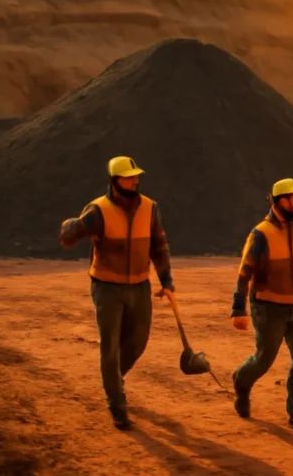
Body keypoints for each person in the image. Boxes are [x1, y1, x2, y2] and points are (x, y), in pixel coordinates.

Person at [58, 156, 175, 431]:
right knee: (110, 345)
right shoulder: (98, 210)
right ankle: (117, 403)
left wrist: (167, 280)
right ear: (115, 181)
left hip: (139, 285)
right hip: (107, 286)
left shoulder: (150, 207)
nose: (135, 181)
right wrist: (71, 229)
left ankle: (114, 378)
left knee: (139, 339)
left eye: (136, 177)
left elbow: (159, 245)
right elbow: (71, 235)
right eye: (128, 177)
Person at [230, 178, 293, 431]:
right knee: (264, 359)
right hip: (268, 308)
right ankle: (242, 382)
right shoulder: (260, 235)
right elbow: (244, 273)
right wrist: (238, 309)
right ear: (280, 201)